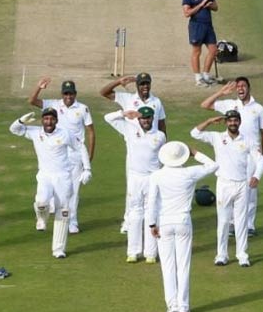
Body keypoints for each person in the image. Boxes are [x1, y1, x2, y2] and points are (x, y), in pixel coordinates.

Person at [146, 141, 218, 312]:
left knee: (168, 266)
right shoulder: (189, 173)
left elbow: (151, 202)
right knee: (183, 265)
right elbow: (213, 165)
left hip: (164, 222)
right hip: (183, 221)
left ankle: (172, 306)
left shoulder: (157, 175)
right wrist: (195, 153)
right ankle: (183, 306)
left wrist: (151, 224)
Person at [9, 108, 92, 259]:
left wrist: (87, 169)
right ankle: (41, 219)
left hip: (63, 176)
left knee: (64, 211)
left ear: (56, 120)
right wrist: (21, 120)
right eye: (46, 119)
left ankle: (58, 249)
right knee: (41, 202)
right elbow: (13, 129)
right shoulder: (35, 132)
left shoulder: (65, 133)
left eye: (52, 119)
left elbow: (81, 148)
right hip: (45, 175)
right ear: (42, 120)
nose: (49, 122)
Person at [191, 111, 263, 267]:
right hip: (224, 184)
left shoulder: (248, 140)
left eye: (235, 120)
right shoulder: (217, 137)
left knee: (241, 221)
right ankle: (221, 254)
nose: (233, 123)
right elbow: (195, 133)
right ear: (226, 122)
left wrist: (257, 176)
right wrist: (210, 120)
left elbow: (260, 160)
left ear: (239, 122)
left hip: (242, 185)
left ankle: (242, 255)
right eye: (230, 120)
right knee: (224, 221)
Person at [200, 77, 263, 237]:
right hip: (233, 152)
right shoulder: (229, 104)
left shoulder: (258, 108)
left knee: (250, 189)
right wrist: (221, 92)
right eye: (238, 86)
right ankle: (231, 223)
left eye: (243, 86)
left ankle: (249, 225)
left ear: (249, 88)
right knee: (231, 187)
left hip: (252, 154)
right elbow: (205, 105)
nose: (240, 89)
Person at [100, 72, 167, 233]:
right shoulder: (127, 99)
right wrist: (118, 82)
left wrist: (164, 151)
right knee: (133, 188)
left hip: (153, 144)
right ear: (137, 85)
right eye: (141, 84)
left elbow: (162, 125)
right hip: (133, 144)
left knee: (154, 188)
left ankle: (153, 220)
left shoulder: (156, 102)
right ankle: (128, 221)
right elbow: (104, 92)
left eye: (147, 84)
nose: (144, 87)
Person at [28, 78, 95, 234]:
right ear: (62, 94)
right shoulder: (53, 105)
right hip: (58, 153)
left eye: (71, 94)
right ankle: (49, 211)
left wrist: (89, 157)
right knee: (53, 189)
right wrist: (39, 87)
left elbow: (91, 131)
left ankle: (72, 222)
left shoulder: (83, 108)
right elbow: (32, 101)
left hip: (75, 154)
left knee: (74, 191)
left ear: (75, 94)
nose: (68, 97)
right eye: (65, 94)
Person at [105, 106, 166, 263]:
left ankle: (151, 253)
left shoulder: (160, 136)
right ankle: (133, 252)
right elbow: (108, 118)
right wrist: (124, 114)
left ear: (153, 119)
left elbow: (163, 159)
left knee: (151, 213)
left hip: (152, 178)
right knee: (134, 214)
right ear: (138, 119)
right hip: (134, 177)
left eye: (148, 118)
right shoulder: (130, 129)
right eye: (143, 118)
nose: (145, 120)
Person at [182, 0, 219, 87]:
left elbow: (216, 7)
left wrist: (210, 5)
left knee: (213, 50)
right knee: (196, 52)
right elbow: (187, 13)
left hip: (208, 25)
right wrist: (201, 5)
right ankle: (198, 78)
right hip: (196, 26)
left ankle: (206, 75)